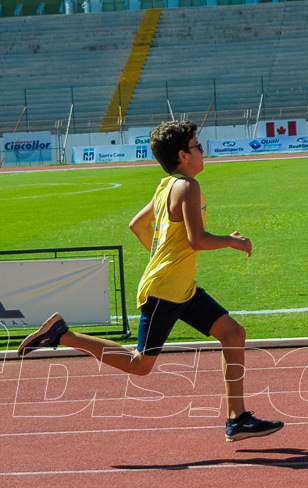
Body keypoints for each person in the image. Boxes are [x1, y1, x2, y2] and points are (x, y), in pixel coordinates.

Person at [18, 119, 284, 443]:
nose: (203, 151)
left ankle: (237, 418)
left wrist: (164, 258)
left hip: (179, 288)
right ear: (183, 155)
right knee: (140, 365)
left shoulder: (165, 186)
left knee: (233, 333)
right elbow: (197, 239)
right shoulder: (187, 187)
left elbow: (136, 225)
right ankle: (63, 335)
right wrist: (232, 241)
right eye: (198, 146)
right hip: (165, 291)